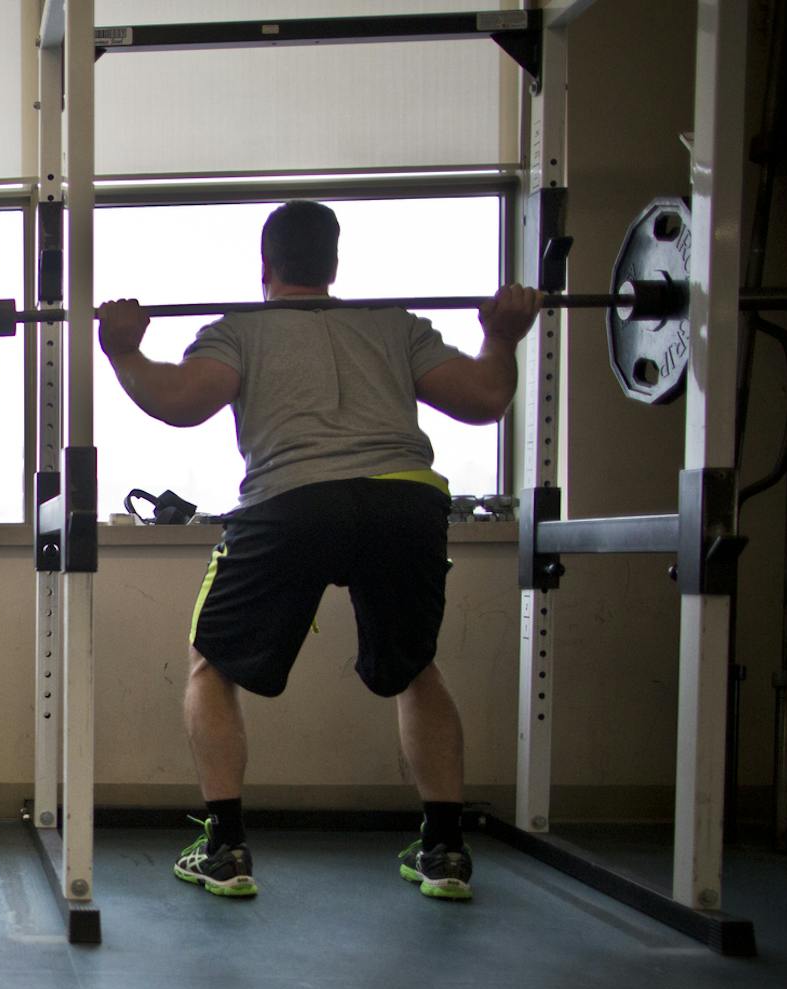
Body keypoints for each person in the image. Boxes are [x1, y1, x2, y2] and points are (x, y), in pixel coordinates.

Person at [96, 199, 542, 902]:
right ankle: (446, 850)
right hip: (404, 502)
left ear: (264, 267)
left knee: (212, 664)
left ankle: (225, 848)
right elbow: (485, 397)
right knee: (416, 665)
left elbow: (180, 402)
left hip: (293, 501)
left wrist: (122, 348)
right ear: (334, 265)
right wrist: (502, 336)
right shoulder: (394, 325)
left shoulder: (243, 328)